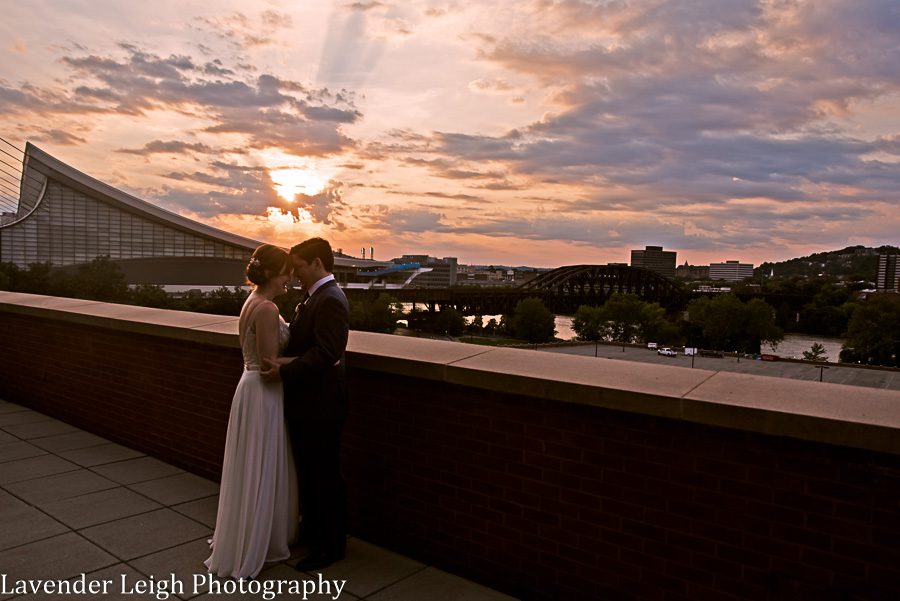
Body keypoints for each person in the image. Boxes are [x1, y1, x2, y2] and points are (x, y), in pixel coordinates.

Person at [205, 244, 299, 579]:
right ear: (272, 272)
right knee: (262, 460)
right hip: (263, 391)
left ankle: (248, 531)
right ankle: (259, 538)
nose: (290, 278)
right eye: (286, 272)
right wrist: (311, 360)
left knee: (251, 461)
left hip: (248, 386)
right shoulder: (268, 308)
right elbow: (270, 366)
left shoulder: (252, 300)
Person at [261, 237, 350, 572]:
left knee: (325, 475)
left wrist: (283, 371)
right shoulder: (315, 296)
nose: (294, 273)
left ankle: (332, 546)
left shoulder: (331, 299)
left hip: (322, 404)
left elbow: (326, 353)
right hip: (309, 402)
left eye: (298, 266)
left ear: (317, 263)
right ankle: (314, 532)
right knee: (311, 473)